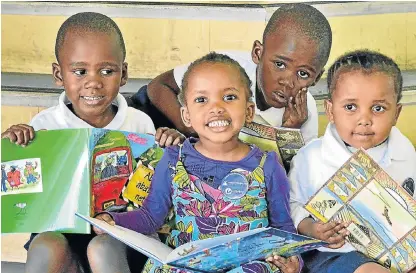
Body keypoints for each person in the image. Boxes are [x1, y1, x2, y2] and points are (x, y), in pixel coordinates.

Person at [1, 12, 184, 273]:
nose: (93, 83)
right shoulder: (43, 126)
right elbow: (22, 194)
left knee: (103, 247)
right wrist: (12, 147)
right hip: (60, 232)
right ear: (58, 74)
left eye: (107, 71)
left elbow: (153, 189)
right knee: (44, 246)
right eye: (80, 71)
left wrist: (169, 145)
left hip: (119, 236)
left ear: (123, 74)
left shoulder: (139, 123)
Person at [95, 52, 302, 273]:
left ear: (248, 110)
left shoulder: (268, 165)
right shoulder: (174, 160)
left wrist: (294, 262)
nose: (216, 108)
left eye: (229, 97)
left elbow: (283, 229)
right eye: (202, 100)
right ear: (186, 116)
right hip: (187, 266)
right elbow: (150, 217)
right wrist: (112, 220)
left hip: (245, 267)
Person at [128, 3, 332, 144]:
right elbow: (158, 87)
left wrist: (290, 130)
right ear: (257, 53)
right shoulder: (226, 69)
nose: (287, 81)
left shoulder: (305, 112)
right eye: (279, 64)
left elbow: (292, 172)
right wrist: (192, 130)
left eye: (303, 74)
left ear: (316, 78)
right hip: (160, 113)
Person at [289, 50, 416, 273]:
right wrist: (312, 228)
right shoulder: (311, 158)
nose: (364, 120)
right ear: (330, 110)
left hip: (397, 257)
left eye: (378, 108)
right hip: (335, 255)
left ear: (396, 113)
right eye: (350, 107)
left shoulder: (405, 153)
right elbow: (291, 205)